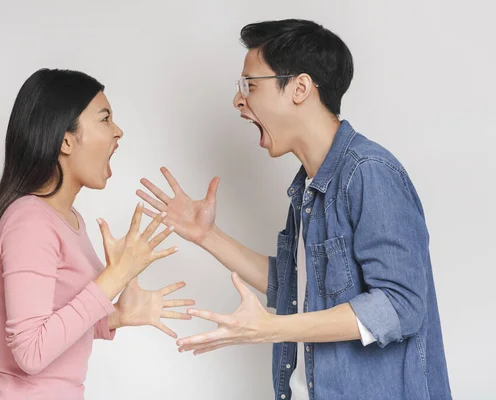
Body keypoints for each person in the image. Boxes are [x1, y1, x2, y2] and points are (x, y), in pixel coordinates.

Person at [137, 19, 451, 399]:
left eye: (249, 85)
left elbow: (401, 306)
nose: (238, 100)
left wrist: (273, 328)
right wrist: (207, 235)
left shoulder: (369, 172)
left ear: (300, 88)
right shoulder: (308, 187)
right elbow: (295, 287)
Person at [0, 68, 193, 400]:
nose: (118, 132)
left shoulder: (67, 218)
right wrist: (114, 278)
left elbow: (58, 323)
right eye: (105, 119)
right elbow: (31, 352)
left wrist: (118, 316)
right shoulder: (29, 222)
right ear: (65, 140)